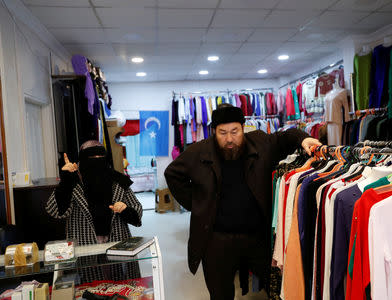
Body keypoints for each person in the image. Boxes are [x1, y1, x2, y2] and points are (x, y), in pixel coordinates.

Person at [164, 104, 321, 300]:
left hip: (257, 237)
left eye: (234, 131)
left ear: (243, 128)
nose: (229, 139)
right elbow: (172, 173)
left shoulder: (260, 142)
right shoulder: (199, 151)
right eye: (222, 133)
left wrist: (303, 138)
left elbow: (285, 137)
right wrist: (198, 204)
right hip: (216, 240)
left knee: (277, 289)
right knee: (220, 295)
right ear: (214, 131)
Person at [46, 140, 143, 282]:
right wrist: (66, 182)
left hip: (117, 246)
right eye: (91, 159)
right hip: (84, 249)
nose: (97, 163)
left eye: (100, 158)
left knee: (121, 288)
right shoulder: (74, 183)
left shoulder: (118, 181)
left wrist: (125, 209)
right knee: (89, 289)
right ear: (82, 160)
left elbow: (138, 211)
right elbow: (54, 211)